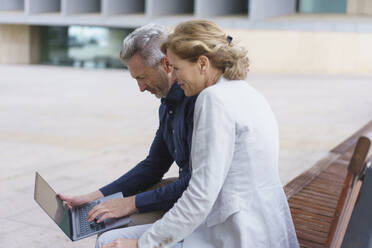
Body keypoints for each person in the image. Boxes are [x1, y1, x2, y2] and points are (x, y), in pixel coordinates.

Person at [96, 20, 299, 248]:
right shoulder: (245, 91)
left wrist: (141, 244)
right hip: (264, 228)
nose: (175, 77)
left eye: (178, 68)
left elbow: (200, 196)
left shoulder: (213, 99)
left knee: (109, 242)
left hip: (237, 234)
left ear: (203, 63)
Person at [58, 23, 197, 235]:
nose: (141, 88)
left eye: (142, 77)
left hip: (199, 207)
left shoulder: (195, 103)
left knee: (111, 232)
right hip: (185, 196)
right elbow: (154, 165)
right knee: (107, 221)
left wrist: (129, 204)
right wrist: (94, 197)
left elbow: (196, 183)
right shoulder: (167, 105)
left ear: (166, 64)